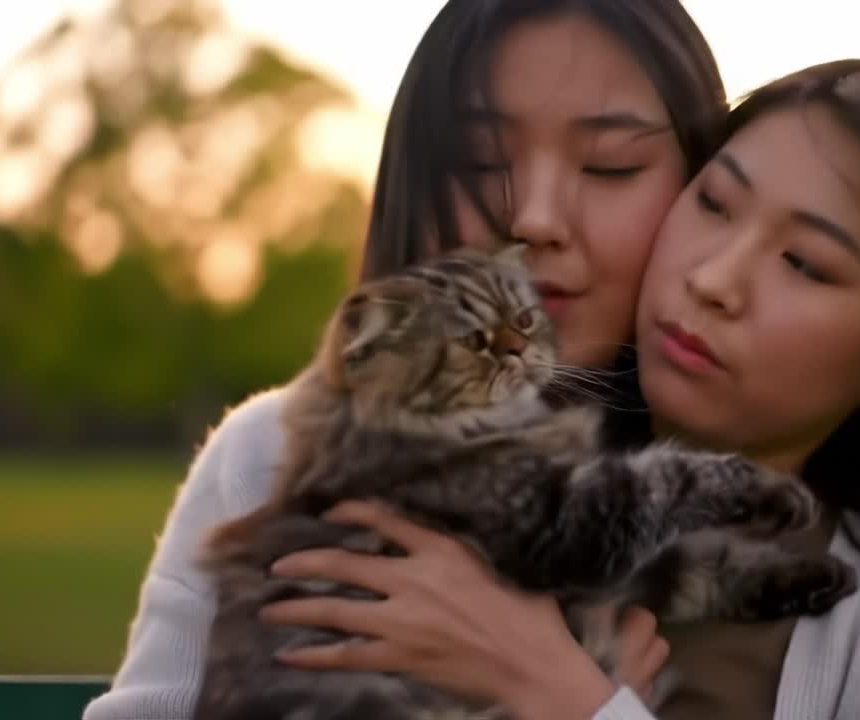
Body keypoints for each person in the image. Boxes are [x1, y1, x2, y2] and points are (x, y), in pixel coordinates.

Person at [255, 61, 860, 720]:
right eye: (716, 205)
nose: (714, 279)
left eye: (805, 263)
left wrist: (564, 699)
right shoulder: (395, 470)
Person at [82, 1, 728, 718]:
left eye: (611, 167)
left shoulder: (793, 525)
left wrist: (566, 696)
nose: (535, 218)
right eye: (479, 162)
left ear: (706, 192)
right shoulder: (270, 457)